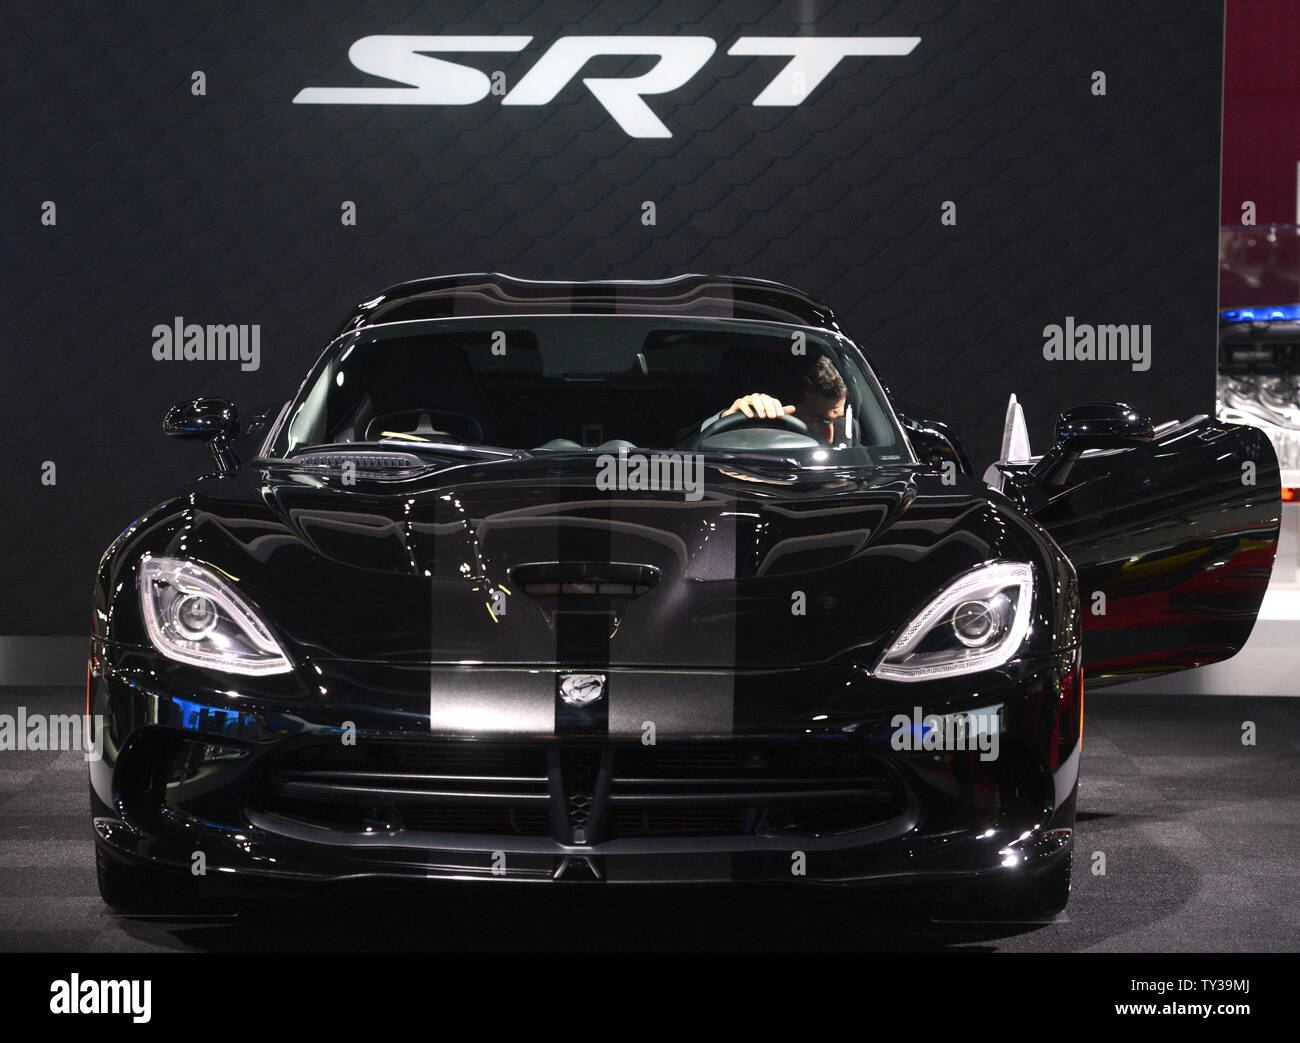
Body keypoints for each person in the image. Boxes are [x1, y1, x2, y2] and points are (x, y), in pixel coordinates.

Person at [701, 354, 848, 445]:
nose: (830, 437)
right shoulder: (751, 431)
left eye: (834, 419)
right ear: (780, 409)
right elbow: (684, 446)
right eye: (817, 420)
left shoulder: (848, 433)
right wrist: (728, 420)